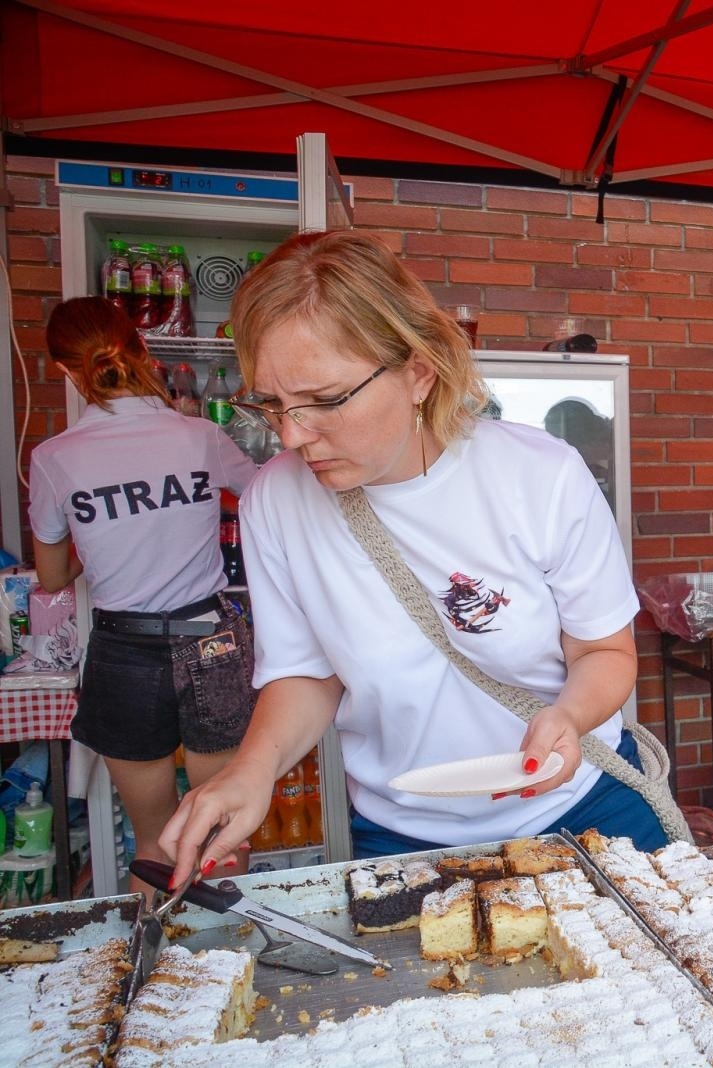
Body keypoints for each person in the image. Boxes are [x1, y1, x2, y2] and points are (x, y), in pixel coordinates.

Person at [159, 231, 669, 884]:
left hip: (585, 807)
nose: (292, 435)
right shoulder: (274, 503)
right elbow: (306, 674)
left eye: (325, 400)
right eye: (273, 405)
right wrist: (250, 773)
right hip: (402, 836)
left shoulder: (539, 475)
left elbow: (605, 652)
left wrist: (568, 716)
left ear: (418, 372)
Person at [27, 297, 258, 898]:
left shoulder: (55, 459)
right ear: (141, 349)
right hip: (209, 640)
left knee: (154, 836)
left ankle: (157, 977)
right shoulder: (199, 435)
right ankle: (233, 963)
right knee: (219, 831)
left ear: (63, 369)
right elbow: (269, 496)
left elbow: (51, 578)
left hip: (124, 651)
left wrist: (96, 540)